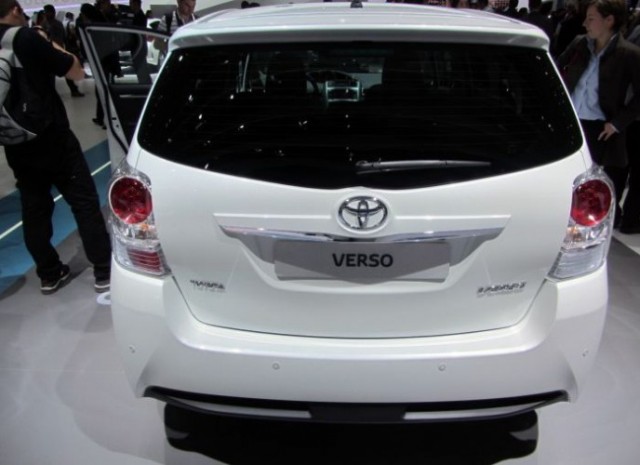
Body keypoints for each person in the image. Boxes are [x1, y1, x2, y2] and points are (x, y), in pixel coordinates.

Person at [0, 0, 112, 294]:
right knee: (83, 201)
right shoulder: (25, 37)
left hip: (16, 141)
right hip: (52, 137)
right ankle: (104, 270)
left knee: (34, 208)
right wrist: (48, 41)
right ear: (15, 10)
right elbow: (75, 71)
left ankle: (49, 273)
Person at [556, 0, 640, 227]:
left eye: (591, 18)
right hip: (571, 124)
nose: (585, 23)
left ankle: (584, 229)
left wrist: (618, 123)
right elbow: (555, 70)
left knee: (591, 185)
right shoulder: (579, 44)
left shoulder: (628, 54)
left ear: (609, 20)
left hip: (600, 129)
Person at [620, 19, 640, 233]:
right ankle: (630, 220)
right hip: (632, 114)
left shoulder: (634, 36)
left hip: (627, 115)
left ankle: (621, 217)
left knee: (622, 167)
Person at [43, 4, 84, 97]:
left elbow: (63, 37)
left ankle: (73, 90)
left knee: (66, 70)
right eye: (46, 12)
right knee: (50, 74)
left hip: (59, 50)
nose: (47, 14)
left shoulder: (57, 23)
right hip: (49, 51)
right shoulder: (45, 24)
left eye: (49, 12)